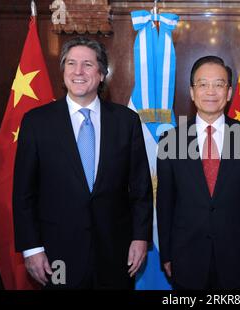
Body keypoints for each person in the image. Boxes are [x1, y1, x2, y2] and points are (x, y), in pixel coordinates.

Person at [13, 37, 153, 289]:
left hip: (115, 253)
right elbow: (23, 193)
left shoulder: (126, 122)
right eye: (71, 63)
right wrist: (31, 248)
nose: (78, 71)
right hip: (56, 255)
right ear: (63, 72)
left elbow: (141, 190)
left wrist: (140, 238)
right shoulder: (36, 123)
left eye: (87, 64)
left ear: (101, 74)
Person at [156, 56, 240, 289]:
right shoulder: (170, 141)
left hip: (237, 257)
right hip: (185, 257)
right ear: (191, 91)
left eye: (219, 84)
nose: (211, 91)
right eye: (203, 84)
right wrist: (166, 254)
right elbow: (165, 203)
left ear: (228, 93)